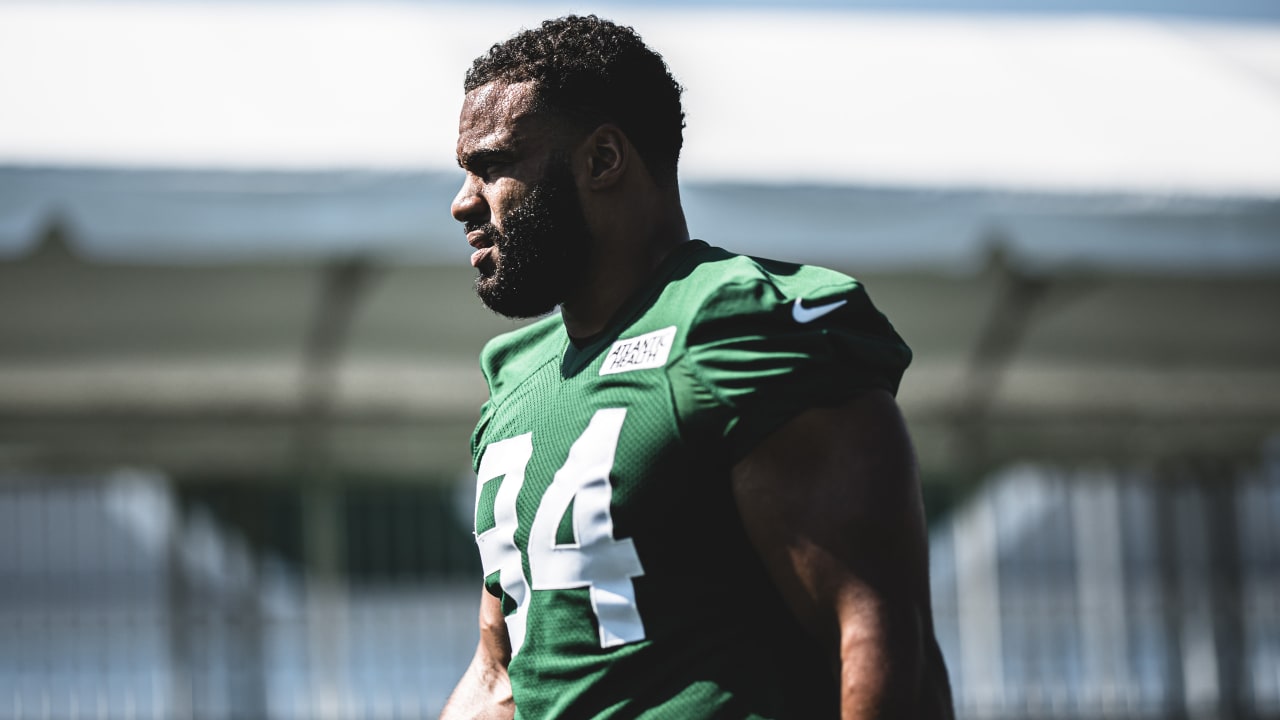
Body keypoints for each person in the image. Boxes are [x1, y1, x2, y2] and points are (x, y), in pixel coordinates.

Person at [440, 15, 954, 719]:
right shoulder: (515, 375)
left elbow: (873, 638)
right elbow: (499, 676)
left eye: (493, 165)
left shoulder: (738, 320)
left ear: (602, 161)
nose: (464, 201)